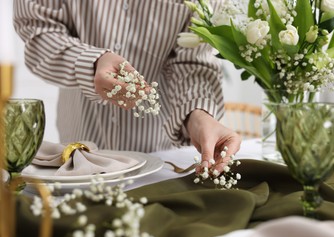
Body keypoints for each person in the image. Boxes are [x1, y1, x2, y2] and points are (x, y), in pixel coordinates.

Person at [13, 0, 241, 171]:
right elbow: (38, 31)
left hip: (158, 160)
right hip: (75, 156)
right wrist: (91, 63)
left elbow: (191, 61)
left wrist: (198, 114)